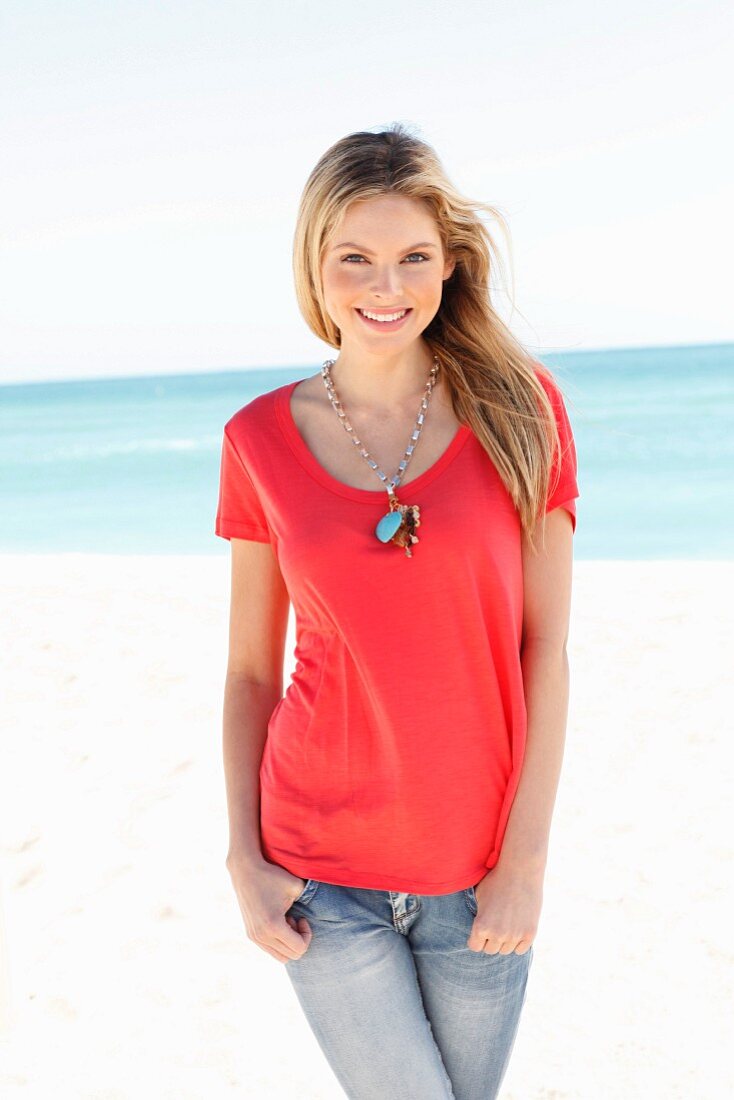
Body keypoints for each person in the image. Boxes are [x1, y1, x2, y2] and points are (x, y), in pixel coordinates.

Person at [215, 123, 579, 1099]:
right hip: (317, 875)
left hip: (477, 870)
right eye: (356, 259)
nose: (387, 286)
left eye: (412, 256)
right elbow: (252, 668)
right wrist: (242, 857)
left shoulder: (523, 411)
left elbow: (543, 650)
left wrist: (523, 864)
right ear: (314, 265)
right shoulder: (255, 438)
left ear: (451, 263)